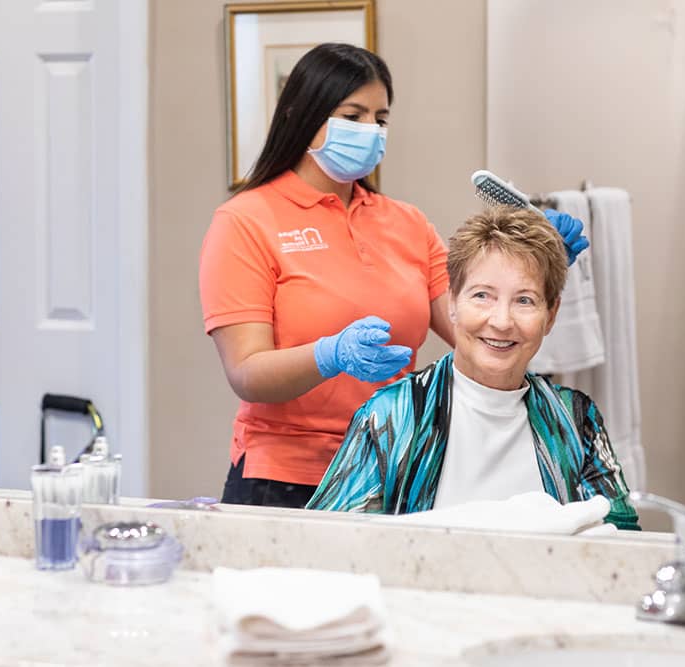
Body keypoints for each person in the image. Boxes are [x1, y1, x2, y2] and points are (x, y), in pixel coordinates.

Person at [199, 43, 589, 509]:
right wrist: (331, 355)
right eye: (354, 115)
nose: (371, 132)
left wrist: (534, 268)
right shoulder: (245, 220)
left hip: (396, 465)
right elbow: (246, 372)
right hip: (285, 479)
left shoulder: (406, 223)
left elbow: (475, 325)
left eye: (380, 120)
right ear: (302, 115)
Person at [306, 206, 639, 530]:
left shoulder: (576, 419)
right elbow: (335, 542)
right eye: (482, 296)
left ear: (551, 315)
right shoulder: (392, 416)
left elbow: (621, 542)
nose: (501, 321)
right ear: (452, 303)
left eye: (525, 300)